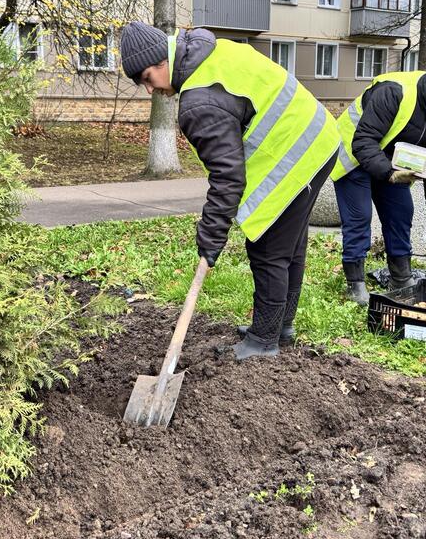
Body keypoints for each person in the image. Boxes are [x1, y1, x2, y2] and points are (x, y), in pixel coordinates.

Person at [119, 21, 340, 360]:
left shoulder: (199, 102)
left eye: (148, 78)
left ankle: (263, 341)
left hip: (296, 152)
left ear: (163, 60)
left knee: (269, 250)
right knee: (290, 245)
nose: (150, 90)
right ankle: (280, 328)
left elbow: (227, 177)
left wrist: (210, 237)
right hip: (318, 136)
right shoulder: (211, 52)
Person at [329, 61, 426, 303]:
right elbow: (363, 141)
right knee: (359, 218)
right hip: (353, 157)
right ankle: (355, 285)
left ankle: (401, 278)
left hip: (389, 164)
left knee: (401, 212)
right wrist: (389, 174)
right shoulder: (394, 92)